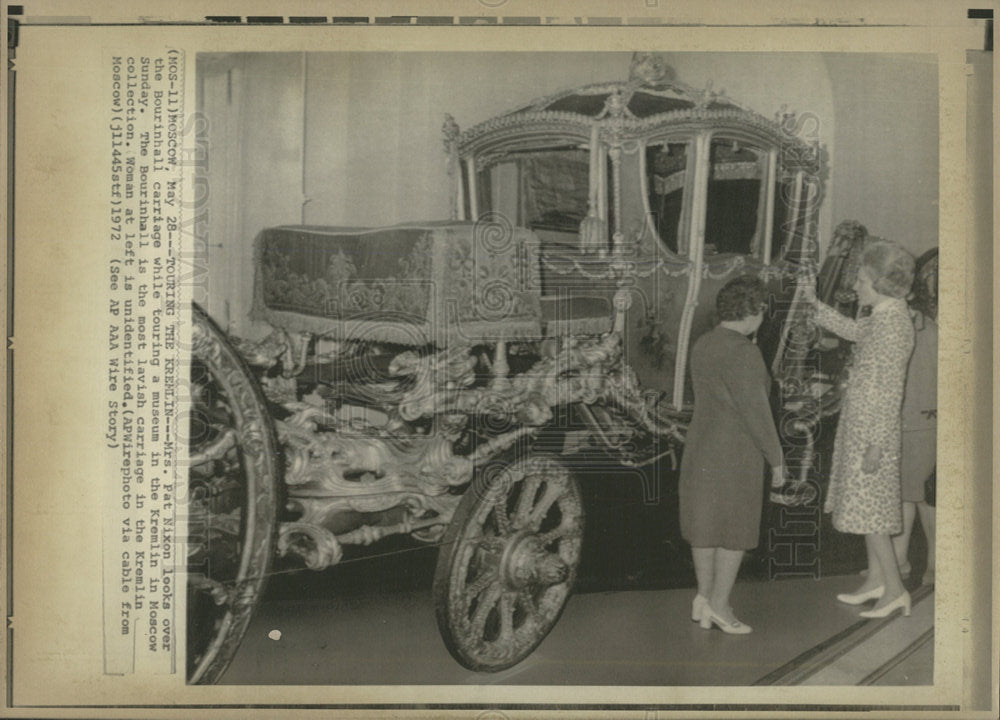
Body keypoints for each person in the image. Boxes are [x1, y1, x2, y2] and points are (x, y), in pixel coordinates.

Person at [804, 238, 916, 618]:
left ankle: (895, 591)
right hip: (864, 426)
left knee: (873, 516)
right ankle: (877, 582)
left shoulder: (893, 325)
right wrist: (814, 307)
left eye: (862, 281)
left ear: (881, 284)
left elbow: (890, 392)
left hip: (873, 432)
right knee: (869, 511)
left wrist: (877, 445)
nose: (856, 288)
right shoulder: (884, 315)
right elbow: (854, 332)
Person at [679, 275, 785, 634]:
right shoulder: (744, 352)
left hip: (701, 445)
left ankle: (703, 599)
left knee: (705, 528)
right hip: (735, 452)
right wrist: (777, 459)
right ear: (753, 312)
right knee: (734, 530)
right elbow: (756, 411)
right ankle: (721, 607)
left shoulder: (704, 344)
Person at [892, 259, 937, 584]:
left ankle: (933, 562)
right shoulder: (914, 322)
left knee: (923, 494)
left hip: (925, 417)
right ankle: (899, 561)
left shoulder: (925, 327)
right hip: (913, 416)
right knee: (910, 492)